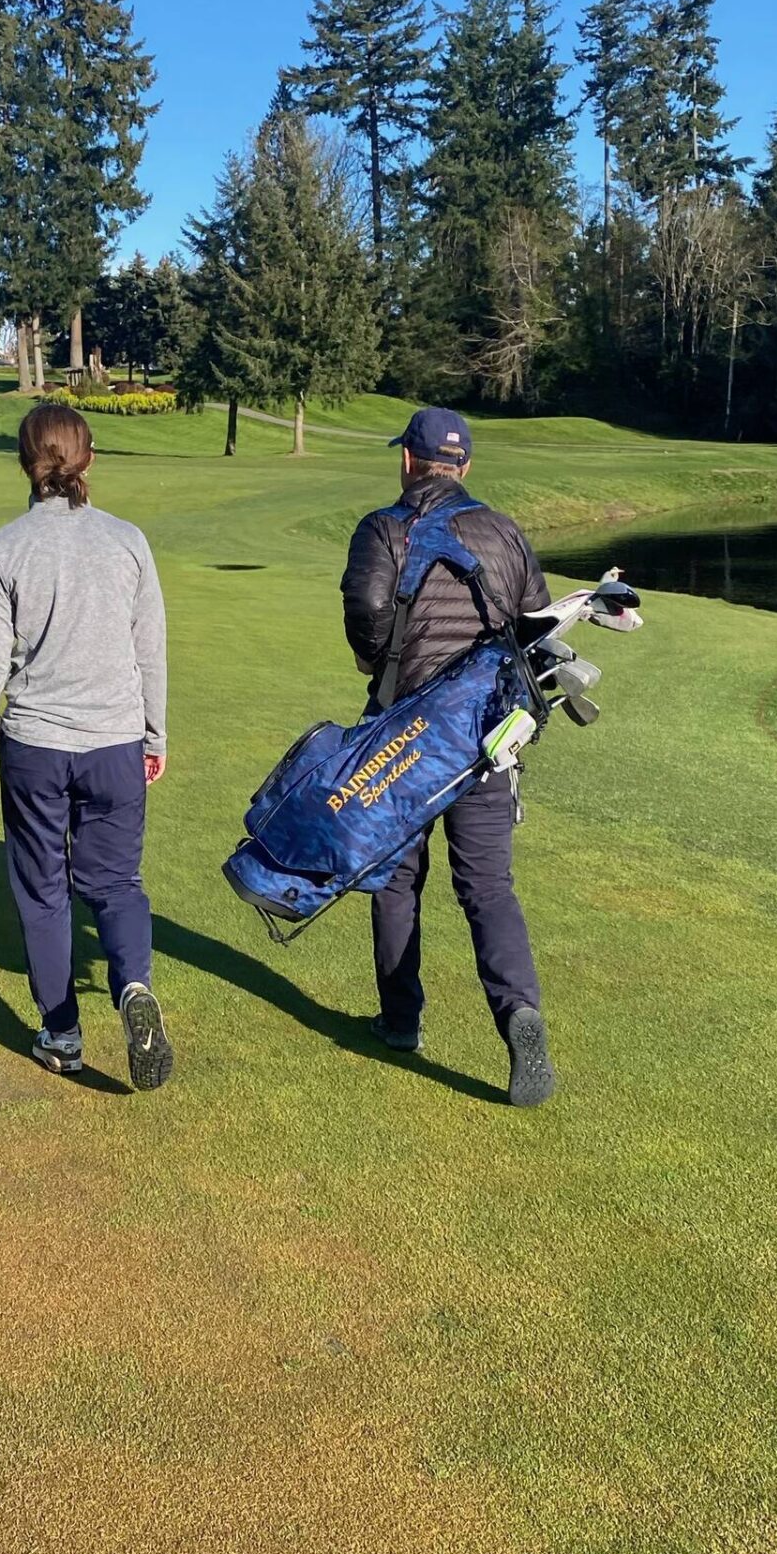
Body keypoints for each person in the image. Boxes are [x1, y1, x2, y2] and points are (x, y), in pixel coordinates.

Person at [0, 401, 173, 1089]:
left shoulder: (3, 546)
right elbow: (150, 650)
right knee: (115, 883)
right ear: (89, 460)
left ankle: (62, 1034)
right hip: (115, 743)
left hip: (35, 748)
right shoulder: (128, 539)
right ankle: (132, 987)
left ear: (26, 462)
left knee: (44, 892)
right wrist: (155, 733)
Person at [340, 406, 556, 1107]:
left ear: (409, 459)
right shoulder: (505, 531)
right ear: (463, 466)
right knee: (488, 888)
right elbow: (538, 631)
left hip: (403, 739)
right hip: (487, 740)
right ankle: (519, 1012)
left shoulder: (384, 528)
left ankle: (401, 1021)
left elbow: (366, 620)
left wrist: (388, 661)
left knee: (397, 882)